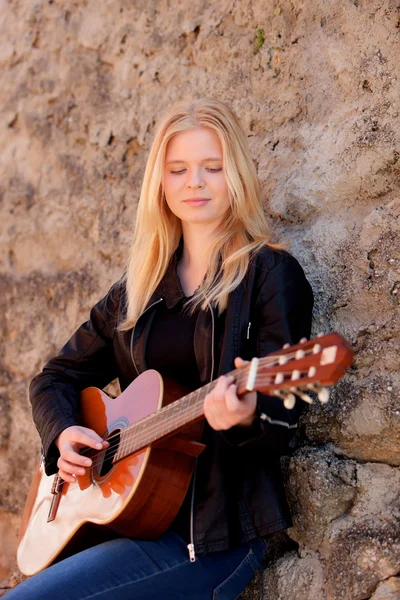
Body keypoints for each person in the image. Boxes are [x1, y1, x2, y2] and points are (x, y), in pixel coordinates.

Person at [8, 97, 313, 599]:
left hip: (212, 539)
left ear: (235, 174)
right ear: (162, 184)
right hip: (129, 522)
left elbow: (284, 413)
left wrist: (242, 416)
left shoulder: (270, 275)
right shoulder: (139, 289)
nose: (194, 182)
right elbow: (55, 376)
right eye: (178, 169)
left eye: (211, 167)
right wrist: (62, 433)